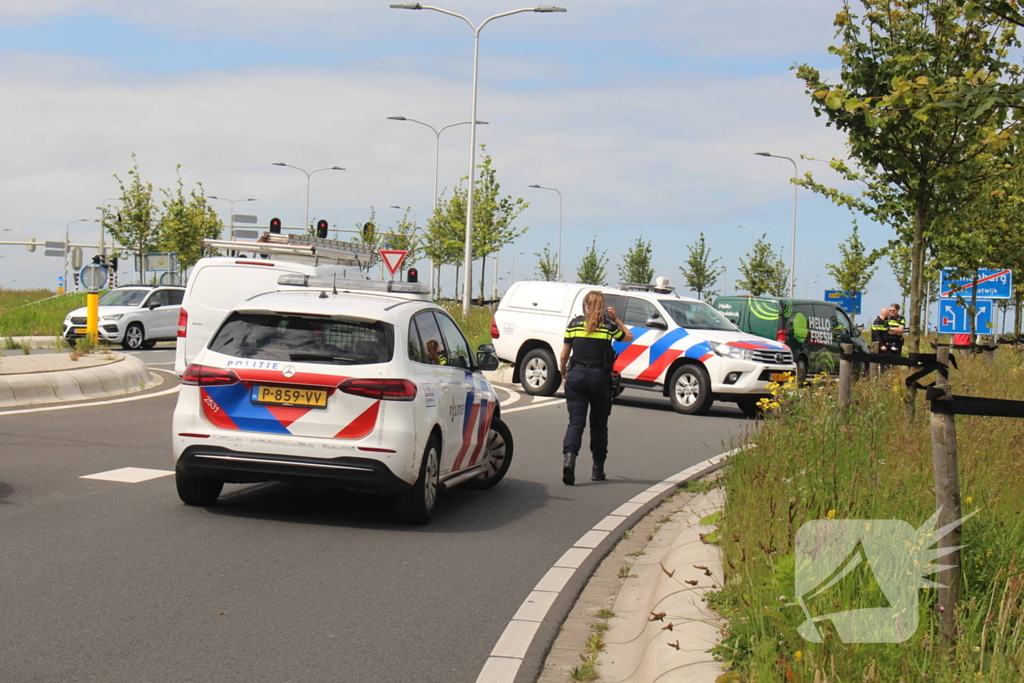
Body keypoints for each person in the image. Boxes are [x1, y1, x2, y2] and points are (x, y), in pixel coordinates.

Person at [558, 290, 633, 485]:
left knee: (576, 422)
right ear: (602, 306)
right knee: (599, 425)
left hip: (577, 377)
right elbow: (628, 337)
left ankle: (569, 459)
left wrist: (563, 371)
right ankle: (597, 469)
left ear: (586, 305)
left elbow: (564, 354)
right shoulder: (608, 326)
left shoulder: (574, 325)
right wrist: (616, 319)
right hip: (600, 379)